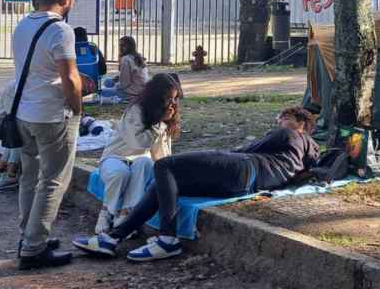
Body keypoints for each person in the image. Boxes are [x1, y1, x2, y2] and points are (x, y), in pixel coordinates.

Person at [74, 106, 319, 262]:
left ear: (300, 123)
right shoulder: (305, 155)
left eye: (283, 118)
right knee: (165, 183)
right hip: (244, 182)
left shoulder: (292, 135)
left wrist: (222, 155)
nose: (278, 123)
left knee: (164, 166)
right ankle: (114, 238)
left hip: (243, 167)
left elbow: (245, 149)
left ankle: (167, 240)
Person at [12, 0, 82, 270]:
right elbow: (69, 78)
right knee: (53, 181)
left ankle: (28, 236)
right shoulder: (61, 31)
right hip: (51, 115)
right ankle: (34, 248)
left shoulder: (22, 25)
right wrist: (77, 109)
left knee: (30, 178)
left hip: (23, 113)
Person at [95, 73, 181, 234]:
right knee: (120, 173)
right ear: (157, 96)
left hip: (139, 161)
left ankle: (126, 215)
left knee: (145, 163)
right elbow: (139, 143)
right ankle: (107, 212)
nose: (172, 103)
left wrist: (169, 174)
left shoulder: (165, 117)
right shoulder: (135, 111)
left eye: (174, 99)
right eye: (168, 98)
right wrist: (158, 124)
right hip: (116, 157)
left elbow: (161, 155)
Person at [103, 36, 148, 103]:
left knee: (102, 91)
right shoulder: (137, 56)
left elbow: (125, 84)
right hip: (141, 89)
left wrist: (116, 84)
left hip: (132, 92)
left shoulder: (126, 59)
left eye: (122, 45)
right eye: (120, 45)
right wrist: (117, 79)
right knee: (108, 83)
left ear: (130, 46)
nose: (120, 48)